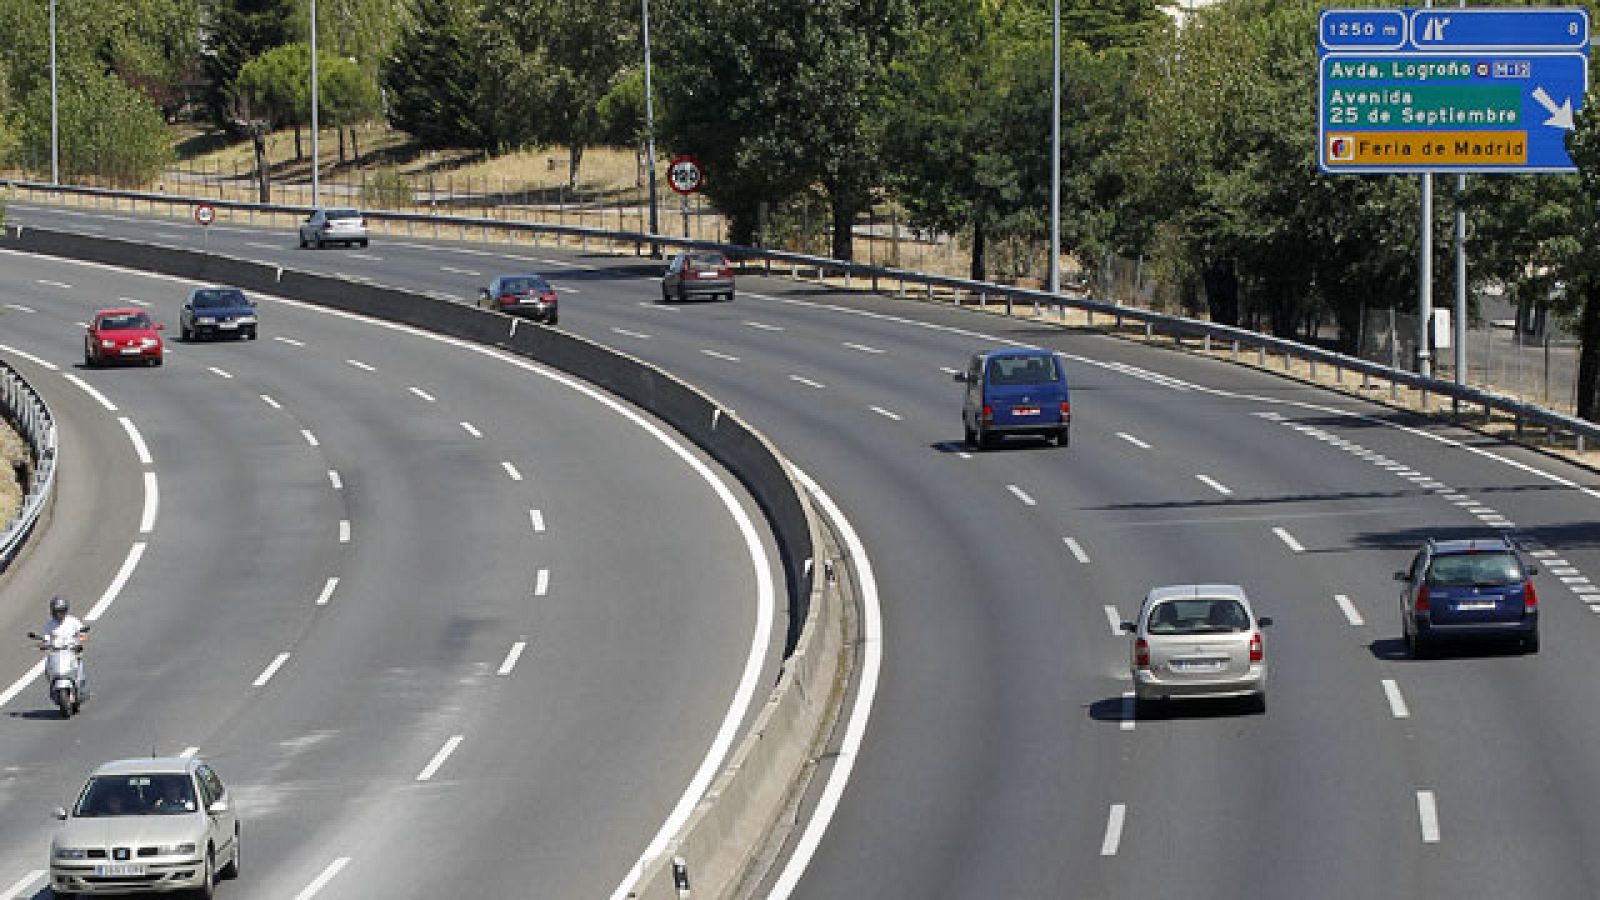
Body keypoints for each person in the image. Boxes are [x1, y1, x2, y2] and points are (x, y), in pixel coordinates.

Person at [39, 595, 89, 700]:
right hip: (57, 652)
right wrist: (45, 644)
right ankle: (53, 685)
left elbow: (82, 631)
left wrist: (81, 637)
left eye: (61, 611)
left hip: (72, 650)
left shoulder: (72, 621)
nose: (59, 614)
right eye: (56, 611)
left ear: (65, 611)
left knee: (78, 661)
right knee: (48, 666)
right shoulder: (50, 624)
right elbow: (46, 637)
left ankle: (79, 684)